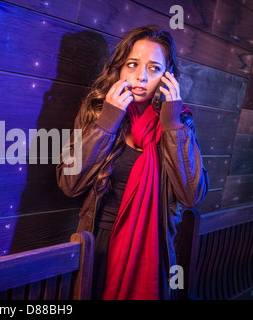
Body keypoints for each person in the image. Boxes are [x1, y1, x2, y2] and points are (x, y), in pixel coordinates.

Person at [56, 25, 209, 300]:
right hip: (97, 244)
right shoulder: (96, 110)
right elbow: (70, 183)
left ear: (166, 77)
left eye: (153, 68)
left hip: (152, 248)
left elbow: (191, 195)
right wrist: (107, 122)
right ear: (119, 68)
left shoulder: (180, 122)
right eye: (132, 64)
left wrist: (172, 124)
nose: (140, 76)